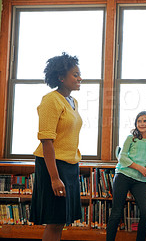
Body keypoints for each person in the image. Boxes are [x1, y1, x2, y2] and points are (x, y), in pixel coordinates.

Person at [29, 52, 83, 241]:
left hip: (69, 165)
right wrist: (54, 178)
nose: (79, 78)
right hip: (53, 166)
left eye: (79, 74)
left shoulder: (73, 101)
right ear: (61, 77)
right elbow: (46, 140)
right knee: (54, 220)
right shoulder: (50, 100)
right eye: (75, 75)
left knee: (61, 220)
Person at [106, 111, 146, 241]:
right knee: (116, 212)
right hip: (123, 175)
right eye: (139, 121)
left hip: (140, 180)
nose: (141, 123)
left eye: (145, 121)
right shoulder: (131, 138)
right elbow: (122, 157)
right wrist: (140, 168)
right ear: (136, 123)